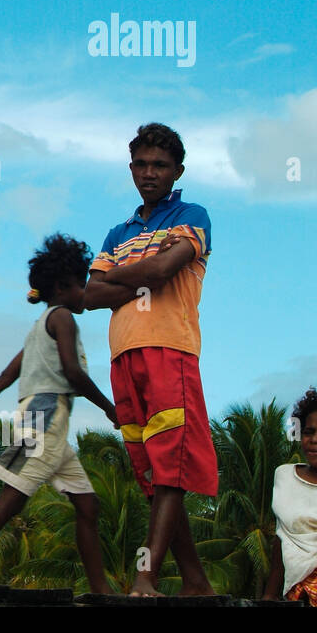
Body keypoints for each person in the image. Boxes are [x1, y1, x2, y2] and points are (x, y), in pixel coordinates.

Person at [0, 234, 117, 592]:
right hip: (44, 421)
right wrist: (111, 409)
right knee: (9, 501)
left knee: (88, 505)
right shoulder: (63, 318)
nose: (85, 292)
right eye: (82, 285)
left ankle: (101, 590)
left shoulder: (38, 329)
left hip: (46, 425)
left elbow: (5, 377)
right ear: (64, 286)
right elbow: (73, 372)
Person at [83, 122, 218, 596]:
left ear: (177, 170)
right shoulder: (117, 231)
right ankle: (196, 580)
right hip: (122, 356)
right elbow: (89, 295)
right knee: (151, 471)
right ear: (130, 169)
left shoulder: (193, 214)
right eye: (140, 164)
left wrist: (120, 276)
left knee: (172, 464)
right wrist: (131, 276)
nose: (149, 172)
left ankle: (147, 576)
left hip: (170, 349)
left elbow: (163, 271)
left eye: (159, 165)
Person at [264, 381, 317, 606]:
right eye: (309, 432)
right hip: (312, 576)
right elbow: (282, 538)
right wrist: (269, 596)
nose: (315, 439)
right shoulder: (284, 475)